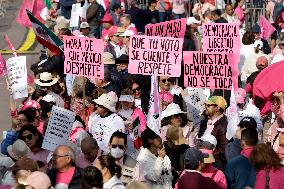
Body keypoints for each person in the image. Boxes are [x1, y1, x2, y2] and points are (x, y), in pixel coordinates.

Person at [198, 96, 228, 170]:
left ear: (217, 108)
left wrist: (207, 155)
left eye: (208, 105)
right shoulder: (204, 122)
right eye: (205, 105)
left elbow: (223, 149)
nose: (206, 107)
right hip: (202, 163)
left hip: (215, 165)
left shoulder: (223, 125)